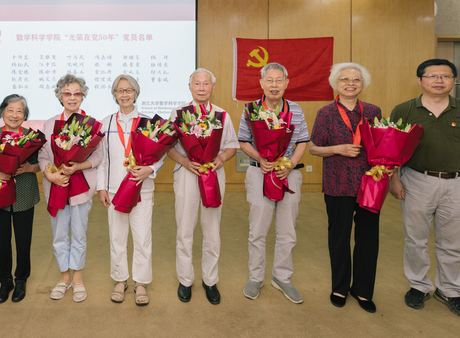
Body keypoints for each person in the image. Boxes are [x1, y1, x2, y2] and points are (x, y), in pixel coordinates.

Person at [389, 59, 460, 320]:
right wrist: (393, 180)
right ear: (420, 80)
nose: (438, 80)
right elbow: (391, 149)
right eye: (432, 75)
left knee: (453, 242)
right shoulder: (404, 110)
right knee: (415, 238)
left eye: (445, 76)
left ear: (453, 80)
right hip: (417, 181)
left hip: (458, 184)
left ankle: (449, 290)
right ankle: (418, 286)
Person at [309, 63, 382, 313]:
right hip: (337, 183)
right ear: (335, 83)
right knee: (339, 238)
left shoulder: (373, 111)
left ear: (363, 84)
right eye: (345, 79)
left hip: (369, 183)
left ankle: (363, 290)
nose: (350, 83)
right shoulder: (326, 113)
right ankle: (339, 287)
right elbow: (313, 148)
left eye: (356, 79)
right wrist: (337, 149)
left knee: (368, 239)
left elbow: (382, 146)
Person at [238, 62, 309, 304]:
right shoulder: (251, 109)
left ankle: (282, 277)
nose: (274, 85)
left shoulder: (296, 109)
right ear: (261, 83)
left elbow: (302, 141)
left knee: (287, 230)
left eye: (279, 80)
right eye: (269, 80)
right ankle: (255, 277)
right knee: (258, 229)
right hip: (259, 172)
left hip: (289, 174)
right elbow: (243, 141)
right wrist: (261, 158)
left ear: (286, 83)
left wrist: (290, 163)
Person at [167, 68, 239, 305]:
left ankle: (210, 280)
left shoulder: (222, 115)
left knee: (212, 230)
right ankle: (185, 280)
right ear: (190, 87)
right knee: (184, 229)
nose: (201, 88)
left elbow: (231, 146)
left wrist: (221, 158)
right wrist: (185, 161)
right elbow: (167, 148)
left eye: (206, 84)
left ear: (213, 87)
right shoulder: (178, 114)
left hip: (213, 175)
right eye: (197, 84)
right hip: (187, 174)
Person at [96, 75, 166, 306]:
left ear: (136, 93)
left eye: (129, 90)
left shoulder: (148, 122)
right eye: (120, 90)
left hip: (142, 189)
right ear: (114, 94)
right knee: (117, 237)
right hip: (114, 191)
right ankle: (120, 279)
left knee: (142, 238)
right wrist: (101, 188)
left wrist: (150, 169)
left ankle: (141, 282)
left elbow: (161, 154)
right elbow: (101, 160)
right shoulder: (106, 123)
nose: (124, 94)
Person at [38, 74, 104, 303]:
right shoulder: (49, 124)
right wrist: (50, 175)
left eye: (77, 93)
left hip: (81, 188)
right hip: (56, 186)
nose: (72, 97)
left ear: (83, 96)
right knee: (58, 234)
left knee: (78, 233)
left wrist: (77, 166)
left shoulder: (92, 124)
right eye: (68, 93)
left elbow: (98, 156)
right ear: (60, 97)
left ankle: (77, 277)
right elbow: (43, 156)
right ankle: (64, 277)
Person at [0, 94, 40, 304]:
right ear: (2, 112)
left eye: (19, 111)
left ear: (25, 115)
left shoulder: (31, 137)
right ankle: (5, 282)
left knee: (23, 241)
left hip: (24, 193)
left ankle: (21, 280)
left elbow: (41, 165)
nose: (14, 115)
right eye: (10, 110)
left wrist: (30, 168)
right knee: (1, 240)